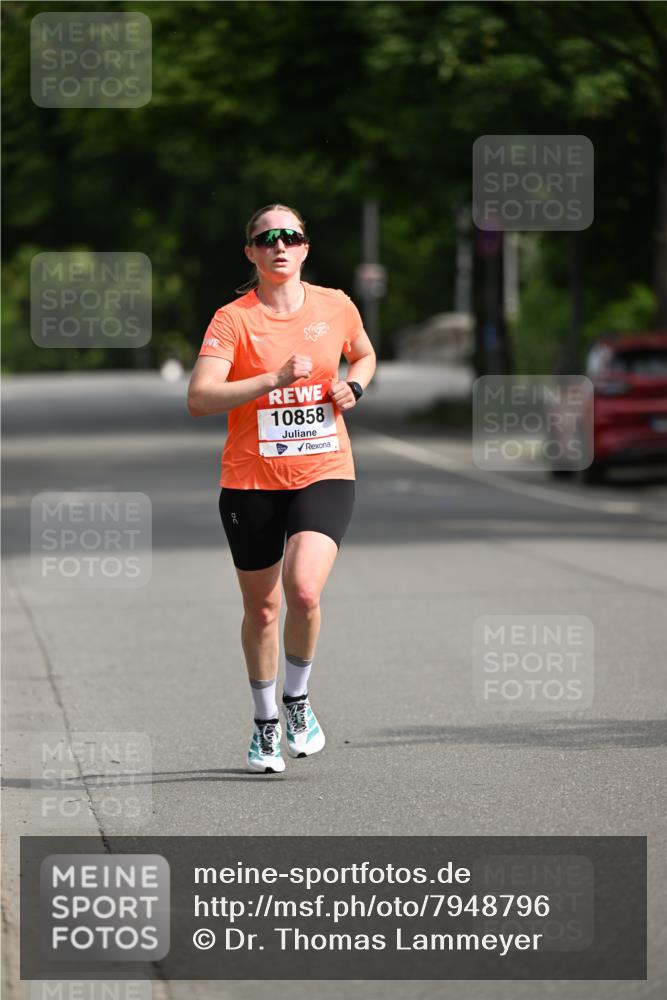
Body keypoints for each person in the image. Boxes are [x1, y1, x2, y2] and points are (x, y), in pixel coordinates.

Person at [187, 203, 376, 773]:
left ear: (304, 248)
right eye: (267, 238)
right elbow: (200, 397)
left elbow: (364, 355)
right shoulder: (233, 320)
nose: (280, 246)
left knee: (305, 591)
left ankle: (297, 700)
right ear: (251, 252)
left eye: (290, 236)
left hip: (324, 468)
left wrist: (353, 387)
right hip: (251, 479)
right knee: (264, 609)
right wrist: (272, 379)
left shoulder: (336, 305)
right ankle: (265, 722)